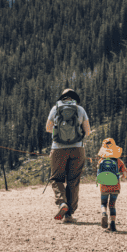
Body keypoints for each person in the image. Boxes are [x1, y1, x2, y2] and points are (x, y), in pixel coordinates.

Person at [46, 88, 91, 223]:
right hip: (77, 149)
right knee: (73, 181)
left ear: (62, 98)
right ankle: (69, 214)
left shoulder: (55, 109)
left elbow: (48, 128)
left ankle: (62, 203)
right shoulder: (80, 109)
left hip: (58, 149)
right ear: (74, 98)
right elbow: (87, 131)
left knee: (56, 178)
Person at [97, 138, 127, 232]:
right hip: (115, 186)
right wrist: (122, 177)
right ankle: (113, 224)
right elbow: (125, 174)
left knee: (103, 203)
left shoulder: (101, 161)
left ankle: (103, 213)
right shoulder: (119, 161)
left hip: (104, 187)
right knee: (112, 205)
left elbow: (98, 174)